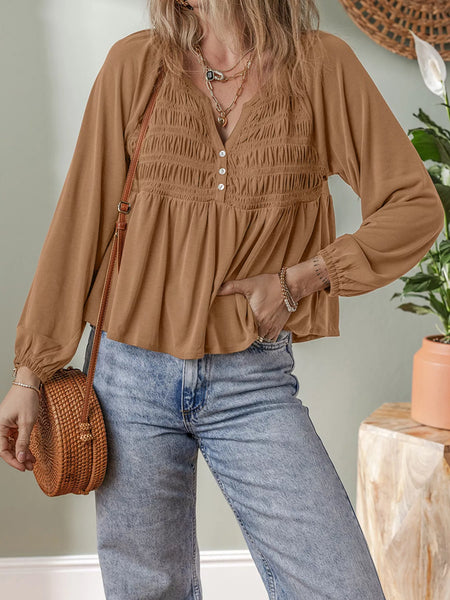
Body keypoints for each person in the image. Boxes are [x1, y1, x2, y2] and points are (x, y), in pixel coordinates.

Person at [1, 0, 444, 598]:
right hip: (128, 379)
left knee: (341, 587)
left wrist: (302, 279)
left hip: (252, 380)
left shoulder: (321, 67)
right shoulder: (138, 64)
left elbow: (415, 207)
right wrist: (30, 372)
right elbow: (80, 223)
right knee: (148, 590)